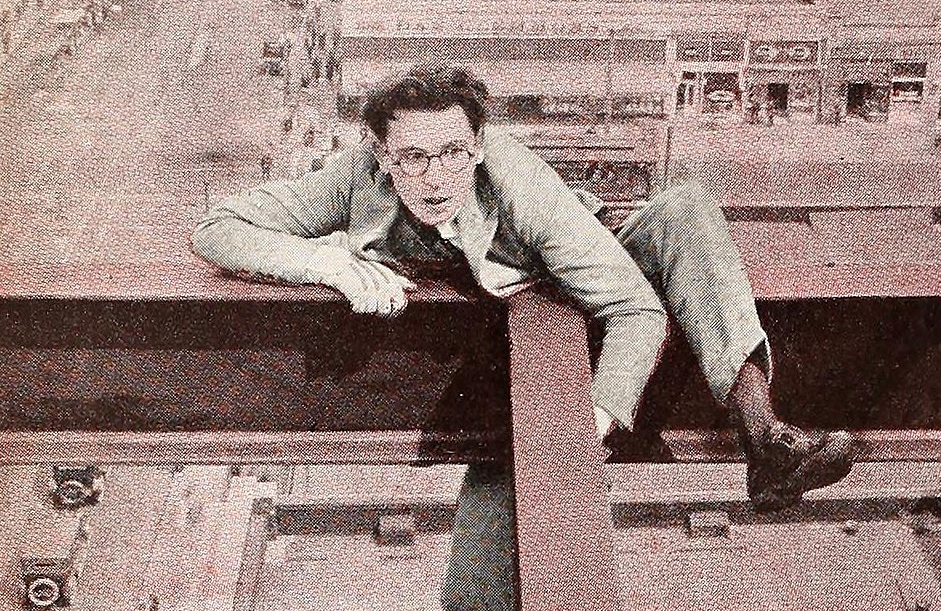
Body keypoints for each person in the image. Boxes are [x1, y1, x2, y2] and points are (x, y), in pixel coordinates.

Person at [190, 65, 855, 611]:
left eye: (453, 153)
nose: (434, 177)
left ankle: (761, 431)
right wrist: (326, 263)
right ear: (379, 153)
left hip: (577, 284)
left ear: (477, 147)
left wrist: (593, 415)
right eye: (412, 157)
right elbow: (219, 229)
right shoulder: (354, 178)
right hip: (505, 327)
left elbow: (635, 310)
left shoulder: (521, 187)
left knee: (685, 209)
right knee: (482, 575)